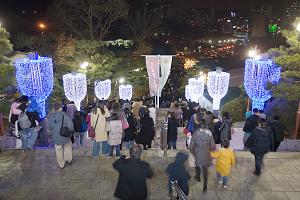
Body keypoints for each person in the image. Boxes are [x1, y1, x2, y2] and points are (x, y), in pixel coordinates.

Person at [189, 118, 215, 192]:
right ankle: (205, 185)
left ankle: (198, 176)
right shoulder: (209, 133)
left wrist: (192, 152)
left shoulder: (196, 133)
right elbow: (212, 146)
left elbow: (191, 146)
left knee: (197, 165)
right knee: (205, 169)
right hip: (206, 153)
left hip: (197, 152)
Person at [47, 103, 74, 169]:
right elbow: (71, 127)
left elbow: (49, 128)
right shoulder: (65, 116)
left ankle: (61, 164)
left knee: (58, 150)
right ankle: (68, 159)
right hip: (65, 136)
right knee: (67, 146)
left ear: (53, 109)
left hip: (56, 137)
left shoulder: (50, 117)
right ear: (61, 108)